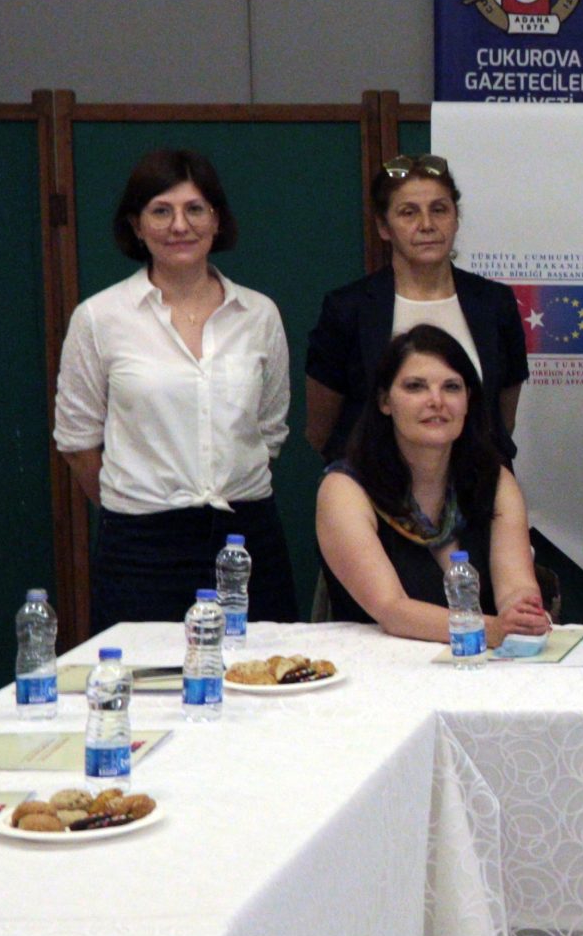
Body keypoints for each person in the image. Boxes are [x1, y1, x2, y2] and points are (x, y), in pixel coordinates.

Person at [53, 149, 300, 629]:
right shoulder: (100, 317)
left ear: (217, 221)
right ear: (137, 226)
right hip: (142, 548)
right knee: (145, 688)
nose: (179, 226)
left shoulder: (260, 314)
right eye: (161, 211)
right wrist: (144, 500)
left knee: (264, 686)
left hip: (247, 538)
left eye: (194, 209)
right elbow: (77, 440)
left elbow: (269, 431)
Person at [315, 327, 550, 645]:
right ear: (385, 401)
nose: (436, 401)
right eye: (416, 387)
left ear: (468, 400)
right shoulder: (344, 490)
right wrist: (494, 629)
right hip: (377, 673)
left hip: (480, 665)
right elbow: (392, 609)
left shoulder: (495, 481)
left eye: (451, 387)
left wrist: (522, 613)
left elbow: (515, 587)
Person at [305, 154, 529, 464]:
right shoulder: (348, 309)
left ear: (455, 218)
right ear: (384, 226)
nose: (427, 225)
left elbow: (501, 416)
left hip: (476, 489)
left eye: (439, 210)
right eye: (408, 213)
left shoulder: (494, 304)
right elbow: (321, 429)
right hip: (372, 491)